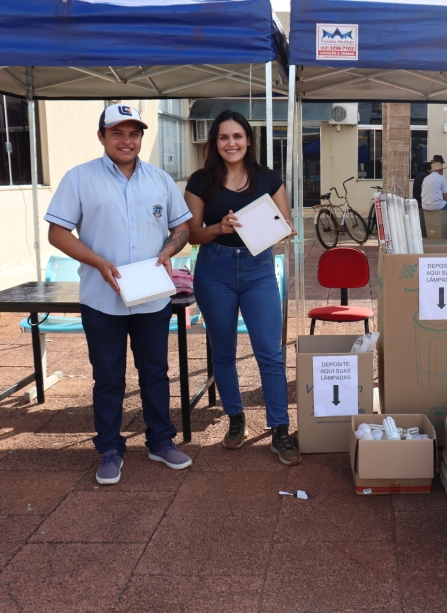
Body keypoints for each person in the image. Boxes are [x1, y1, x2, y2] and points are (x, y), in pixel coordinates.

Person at [45, 104, 194, 485]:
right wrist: (98, 262)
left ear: (141, 137)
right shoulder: (79, 179)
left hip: (151, 296)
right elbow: (57, 233)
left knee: (155, 373)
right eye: (117, 133)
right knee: (109, 377)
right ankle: (109, 448)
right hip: (101, 297)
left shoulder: (160, 180)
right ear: (102, 137)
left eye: (134, 133)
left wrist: (168, 250)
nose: (127, 141)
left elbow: (182, 228)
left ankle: (161, 441)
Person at [183, 110, 301, 465]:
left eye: (237, 136)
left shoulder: (269, 179)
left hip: (259, 269)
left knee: (270, 352)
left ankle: (280, 429)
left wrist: (281, 228)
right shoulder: (200, 180)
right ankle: (236, 420)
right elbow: (192, 235)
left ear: (249, 140)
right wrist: (218, 228)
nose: (230, 143)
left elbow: (286, 225)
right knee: (223, 351)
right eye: (223, 137)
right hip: (213, 268)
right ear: (214, 143)